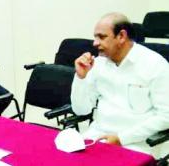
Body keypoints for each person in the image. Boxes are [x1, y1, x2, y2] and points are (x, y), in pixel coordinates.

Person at [71, 12, 169, 156]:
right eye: (95, 37)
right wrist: (80, 78)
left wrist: (122, 138)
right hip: (97, 136)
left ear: (121, 36)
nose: (95, 43)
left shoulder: (155, 65)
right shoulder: (97, 64)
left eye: (101, 37)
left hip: (137, 145)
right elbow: (81, 111)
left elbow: (166, 116)